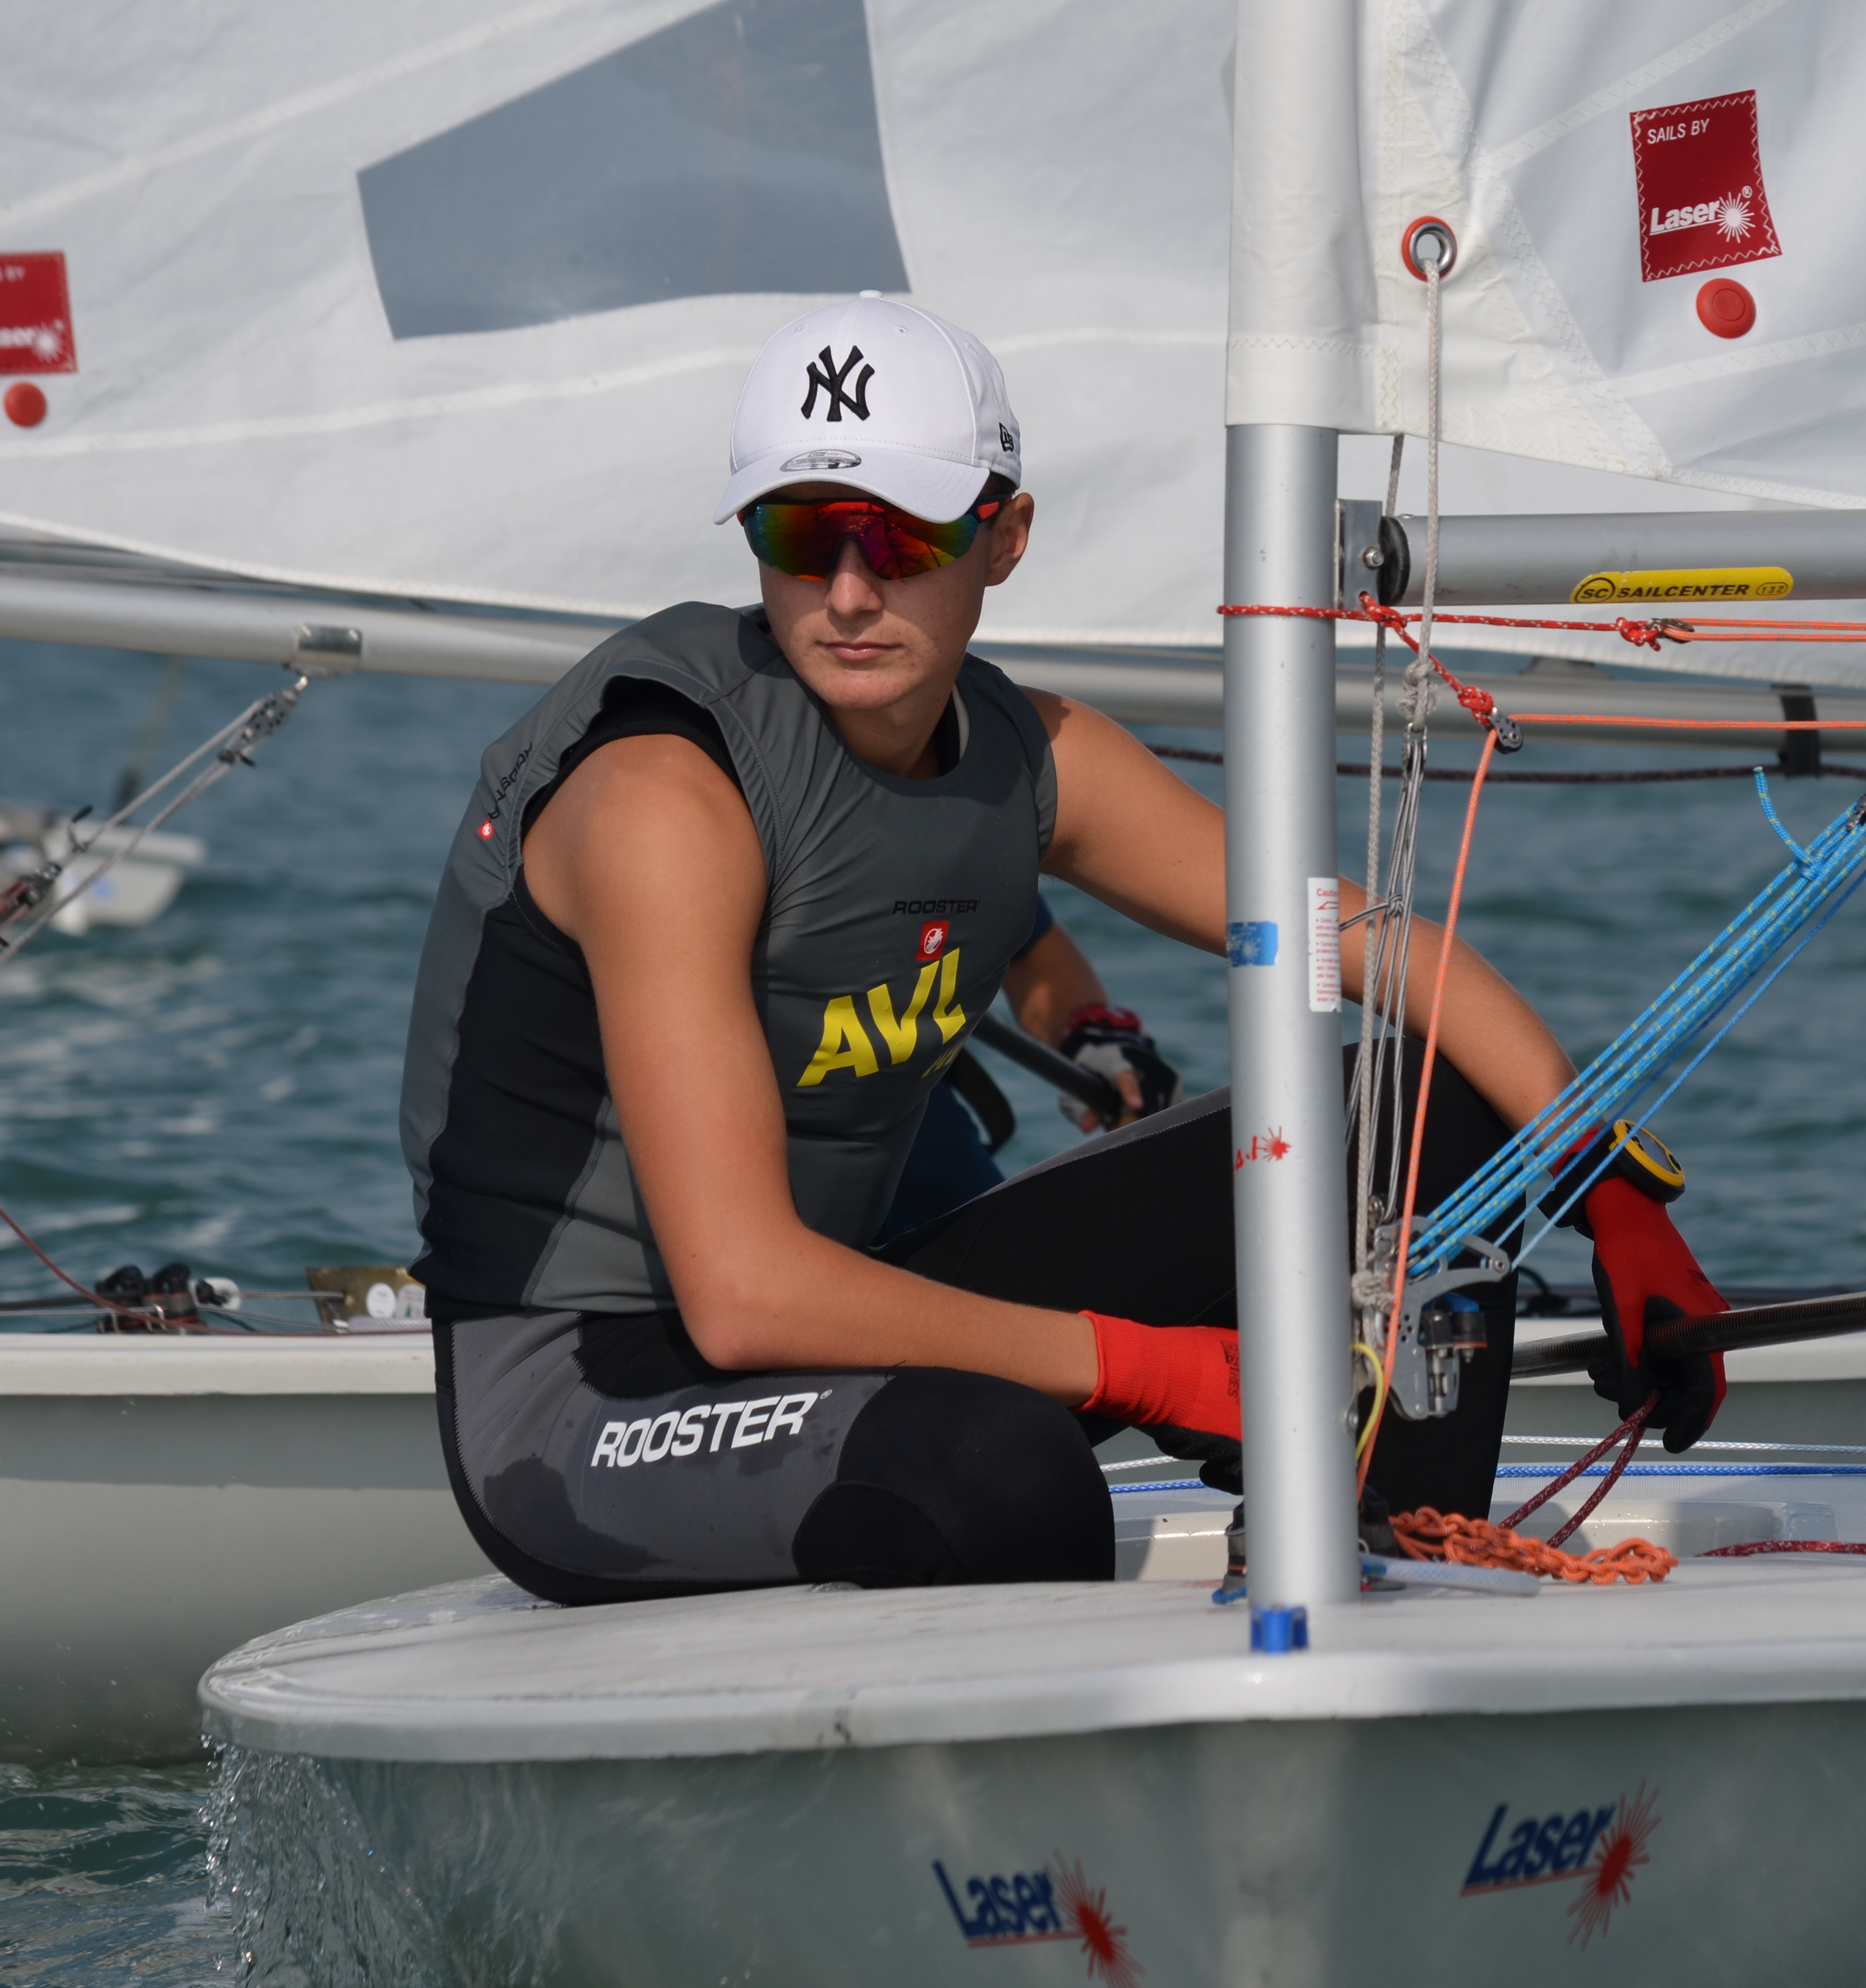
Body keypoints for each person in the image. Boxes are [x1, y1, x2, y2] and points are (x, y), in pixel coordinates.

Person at [400, 294, 1730, 1604]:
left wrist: (1611, 1194)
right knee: (1008, 1474)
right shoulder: (662, 801)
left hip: (832, 1318)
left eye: (901, 534)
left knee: (1411, 1113)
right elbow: (743, 1297)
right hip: (589, 1400)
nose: (849, 591)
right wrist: (1160, 1371)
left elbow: (1374, 944)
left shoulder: (1040, 759)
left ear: (1006, 536)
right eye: (801, 534)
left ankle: (1394, 1563)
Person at [872, 894, 1179, 1243]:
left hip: (912, 1109)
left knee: (1011, 1262)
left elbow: (1025, 945)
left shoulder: (949, 847)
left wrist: (1097, 1040)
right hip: (802, 1125)